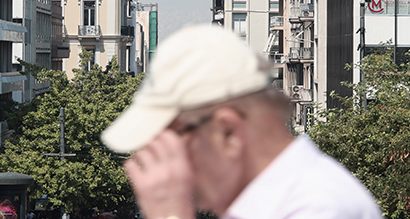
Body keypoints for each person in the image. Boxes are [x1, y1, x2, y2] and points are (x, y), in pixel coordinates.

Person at [101, 24, 383, 219]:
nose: (171, 171)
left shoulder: (318, 206)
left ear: (228, 131)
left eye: (172, 147)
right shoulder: (268, 203)